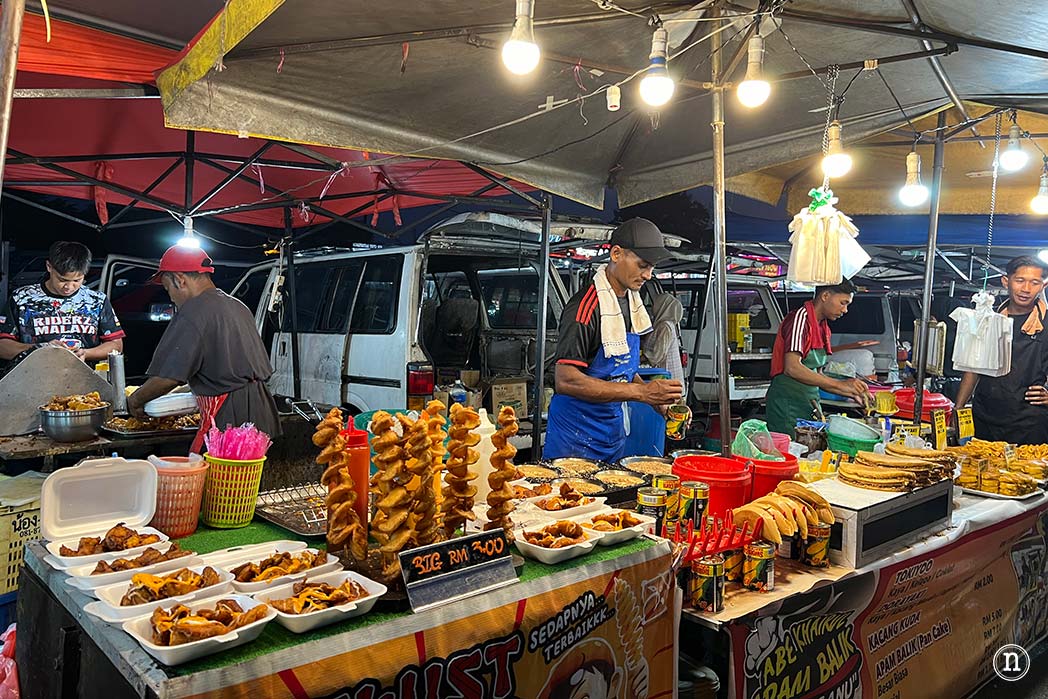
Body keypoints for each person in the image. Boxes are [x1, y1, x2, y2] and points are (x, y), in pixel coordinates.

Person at [544, 218, 683, 462]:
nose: (648, 275)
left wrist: (658, 402)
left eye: (651, 268)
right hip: (574, 437)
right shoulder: (585, 309)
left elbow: (623, 369)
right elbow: (566, 381)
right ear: (616, 253)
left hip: (611, 433)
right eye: (642, 265)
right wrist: (641, 393)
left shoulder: (632, 304)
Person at [126, 246, 281, 452]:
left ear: (180, 279)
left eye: (167, 288)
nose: (170, 297)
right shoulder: (237, 306)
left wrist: (135, 400)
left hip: (230, 417)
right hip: (262, 413)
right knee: (249, 482)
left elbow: (169, 377)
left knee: (222, 483)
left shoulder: (193, 311)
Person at [955, 255, 1048, 445]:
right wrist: (958, 409)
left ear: (1043, 286)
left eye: (1034, 282)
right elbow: (972, 369)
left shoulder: (1046, 323)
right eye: (1020, 280)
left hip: (1030, 423)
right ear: (1006, 281)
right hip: (986, 419)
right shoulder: (988, 320)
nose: (1026, 289)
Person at [765, 279, 870, 438]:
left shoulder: (823, 327)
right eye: (843, 303)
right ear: (826, 295)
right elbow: (792, 367)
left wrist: (848, 391)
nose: (845, 310)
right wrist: (839, 384)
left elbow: (818, 374)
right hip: (787, 404)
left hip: (810, 403)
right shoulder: (800, 319)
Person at [0, 241, 124, 364]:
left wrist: (86, 353)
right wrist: (40, 349)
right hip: (33, 377)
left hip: (84, 378)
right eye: (62, 280)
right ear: (49, 267)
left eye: (77, 280)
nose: (69, 287)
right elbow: (3, 346)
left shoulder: (97, 301)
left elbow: (116, 345)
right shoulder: (21, 298)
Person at [640, 292, 686, 387]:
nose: (653, 308)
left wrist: (639, 359)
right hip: (668, 379)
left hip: (667, 378)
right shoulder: (665, 325)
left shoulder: (665, 326)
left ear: (662, 306)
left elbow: (657, 355)